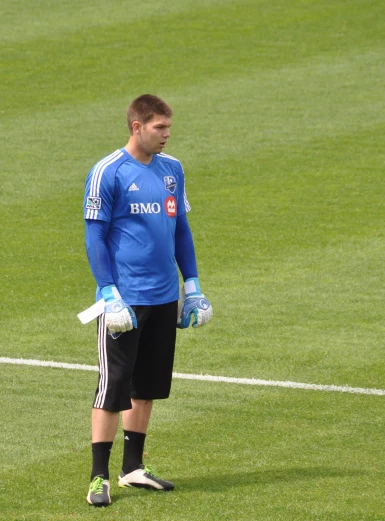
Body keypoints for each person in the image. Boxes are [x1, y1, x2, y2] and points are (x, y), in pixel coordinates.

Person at [82, 94, 213, 507]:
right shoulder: (108, 172)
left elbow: (181, 231)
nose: (167, 135)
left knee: (148, 387)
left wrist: (191, 285)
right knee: (113, 386)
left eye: (169, 127)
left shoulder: (172, 170)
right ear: (137, 127)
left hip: (163, 298)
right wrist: (108, 293)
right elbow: (95, 236)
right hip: (124, 301)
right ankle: (98, 477)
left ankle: (132, 469)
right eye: (160, 128)